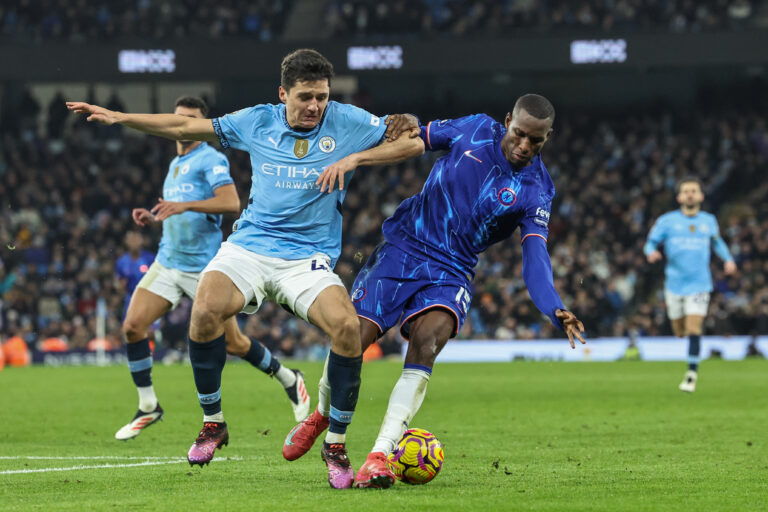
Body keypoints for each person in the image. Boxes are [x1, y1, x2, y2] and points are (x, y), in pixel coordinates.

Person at [67, 49, 423, 487]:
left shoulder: (348, 121)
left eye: (322, 97)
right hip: (250, 246)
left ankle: (335, 444)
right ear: (283, 94)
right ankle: (213, 422)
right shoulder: (257, 120)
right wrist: (119, 117)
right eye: (305, 97)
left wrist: (355, 159)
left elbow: (413, 141)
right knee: (205, 310)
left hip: (306, 258)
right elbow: (184, 127)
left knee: (348, 329)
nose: (315, 106)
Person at [282, 94, 587, 489]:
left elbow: (535, 255)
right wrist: (396, 128)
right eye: (519, 134)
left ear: (548, 137)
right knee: (352, 338)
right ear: (507, 120)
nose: (525, 145)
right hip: (403, 248)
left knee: (425, 343)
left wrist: (554, 307)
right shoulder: (475, 129)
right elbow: (416, 137)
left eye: (536, 140)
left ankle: (380, 455)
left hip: (452, 271)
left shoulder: (538, 189)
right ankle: (322, 414)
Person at [109, 96, 310, 442]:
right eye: (180, 117)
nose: (184, 124)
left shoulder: (211, 158)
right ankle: (148, 406)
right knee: (133, 327)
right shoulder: (175, 164)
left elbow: (231, 202)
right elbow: (181, 213)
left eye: (191, 118)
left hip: (204, 269)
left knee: (234, 343)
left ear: (201, 123)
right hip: (168, 262)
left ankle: (289, 378)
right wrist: (156, 217)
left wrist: (183, 205)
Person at [644, 177, 736, 392]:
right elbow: (650, 242)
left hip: (700, 283)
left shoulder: (709, 221)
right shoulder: (667, 221)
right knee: (680, 332)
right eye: (686, 191)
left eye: (694, 191)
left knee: (694, 328)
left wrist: (728, 259)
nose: (690, 194)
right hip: (674, 284)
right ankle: (690, 358)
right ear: (679, 197)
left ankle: (691, 375)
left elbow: (717, 242)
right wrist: (651, 252)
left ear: (701, 196)